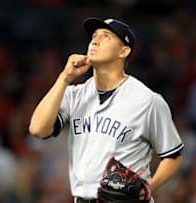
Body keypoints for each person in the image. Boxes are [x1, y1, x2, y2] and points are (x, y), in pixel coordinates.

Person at [28, 17, 184, 202]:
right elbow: (38, 129)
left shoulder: (147, 100)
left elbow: (173, 156)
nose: (95, 40)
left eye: (106, 36)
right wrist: (64, 77)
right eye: (94, 36)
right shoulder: (74, 94)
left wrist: (148, 188)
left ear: (124, 51)